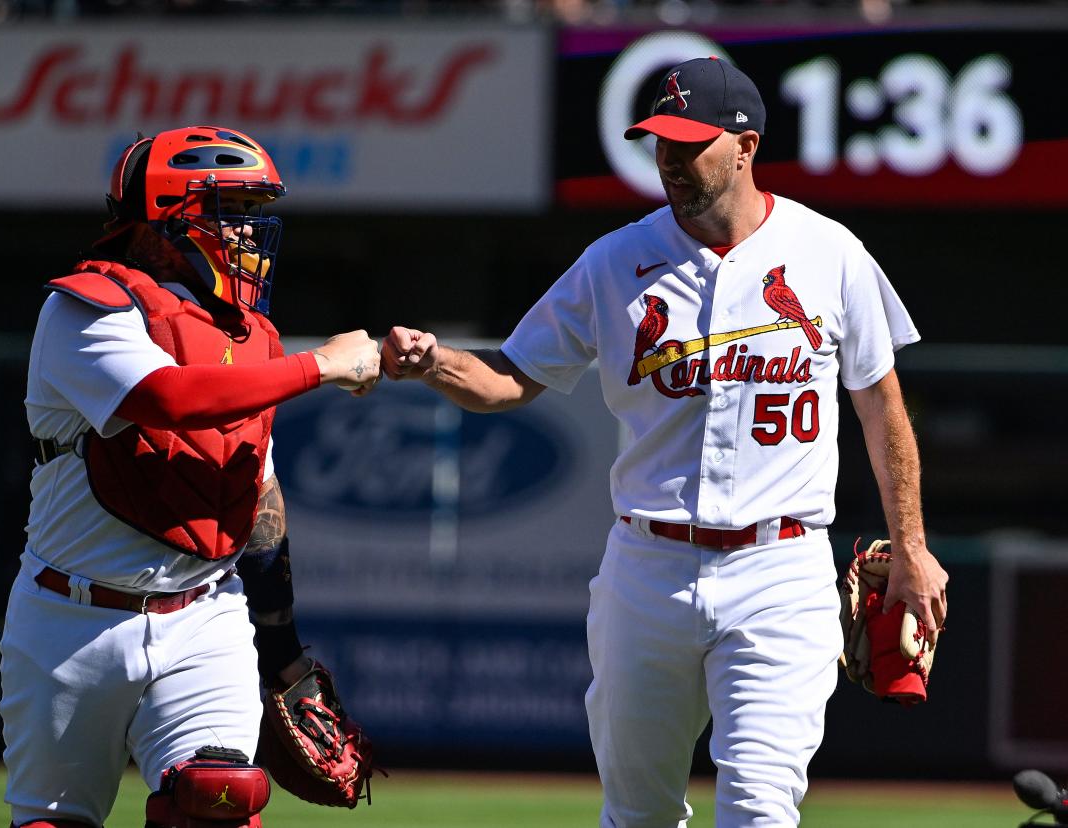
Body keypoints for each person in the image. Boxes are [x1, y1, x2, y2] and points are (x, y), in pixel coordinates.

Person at [381, 57, 948, 827]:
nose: (669, 159)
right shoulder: (615, 262)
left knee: (759, 807)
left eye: (689, 141)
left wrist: (911, 546)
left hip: (780, 569)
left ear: (745, 146)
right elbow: (513, 377)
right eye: (657, 140)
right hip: (648, 566)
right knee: (638, 812)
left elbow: (883, 411)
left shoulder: (830, 253)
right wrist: (432, 361)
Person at [0, 125, 381, 828]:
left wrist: (284, 650)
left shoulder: (247, 337)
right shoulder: (85, 308)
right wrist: (321, 365)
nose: (248, 232)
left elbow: (256, 496)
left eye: (252, 213)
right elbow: (167, 399)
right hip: (71, 619)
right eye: (229, 213)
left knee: (219, 799)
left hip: (206, 612)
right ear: (166, 222)